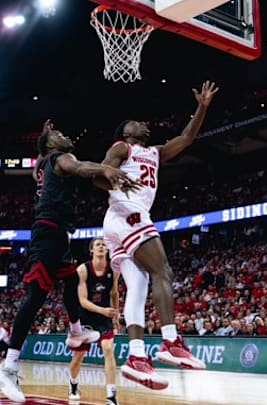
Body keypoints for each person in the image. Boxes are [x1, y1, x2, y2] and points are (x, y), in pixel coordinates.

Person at [0, 119, 139, 403]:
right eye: (59, 134)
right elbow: (81, 168)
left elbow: (41, 154)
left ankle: (75, 333)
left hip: (56, 234)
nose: (66, 135)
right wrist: (107, 168)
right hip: (49, 231)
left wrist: (46, 134)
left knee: (71, 279)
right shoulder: (61, 158)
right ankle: (8, 366)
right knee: (35, 297)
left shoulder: (42, 162)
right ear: (50, 146)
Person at [98, 81, 219, 389]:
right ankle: (170, 341)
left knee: (138, 285)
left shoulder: (154, 152)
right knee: (162, 270)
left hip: (120, 220)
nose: (144, 124)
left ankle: (137, 357)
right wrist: (116, 183)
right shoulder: (122, 147)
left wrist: (202, 107)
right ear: (126, 132)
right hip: (127, 212)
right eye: (137, 122)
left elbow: (188, 137)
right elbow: (100, 175)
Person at [68, 238, 121, 405]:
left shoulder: (114, 268)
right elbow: (82, 301)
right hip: (86, 316)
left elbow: (114, 293)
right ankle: (73, 384)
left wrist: (116, 314)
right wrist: (102, 310)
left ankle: (111, 395)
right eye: (98, 245)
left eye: (104, 245)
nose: (101, 247)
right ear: (91, 250)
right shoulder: (83, 270)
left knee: (108, 348)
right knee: (79, 356)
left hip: (104, 317)